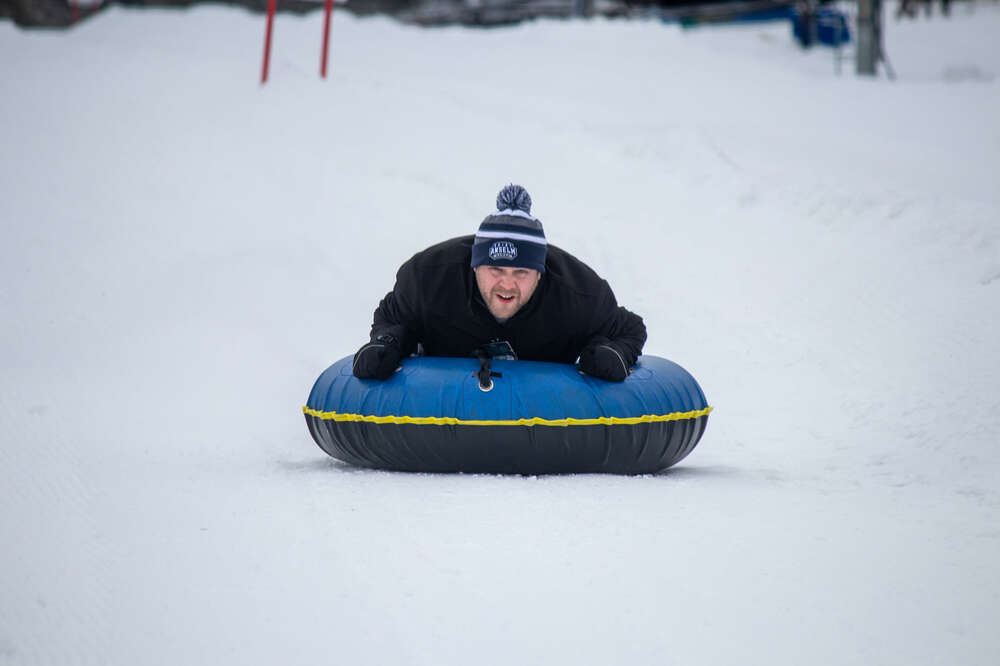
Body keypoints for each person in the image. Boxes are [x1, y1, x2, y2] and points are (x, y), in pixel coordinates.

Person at [352, 184, 647, 382]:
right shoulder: (429, 279)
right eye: (495, 270)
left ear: (540, 273)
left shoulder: (579, 294)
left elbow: (630, 328)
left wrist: (611, 353)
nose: (507, 285)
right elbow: (392, 315)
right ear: (475, 265)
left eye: (521, 273)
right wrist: (388, 341)